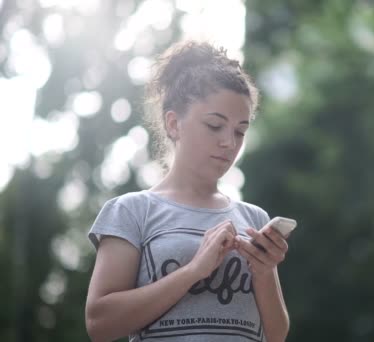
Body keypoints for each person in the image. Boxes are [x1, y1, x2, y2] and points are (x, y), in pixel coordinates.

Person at [85, 40, 290, 342]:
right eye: (214, 125)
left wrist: (264, 270)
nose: (229, 143)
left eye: (240, 131)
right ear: (173, 124)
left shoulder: (254, 218)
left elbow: (276, 335)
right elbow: (99, 324)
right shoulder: (131, 211)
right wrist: (194, 270)